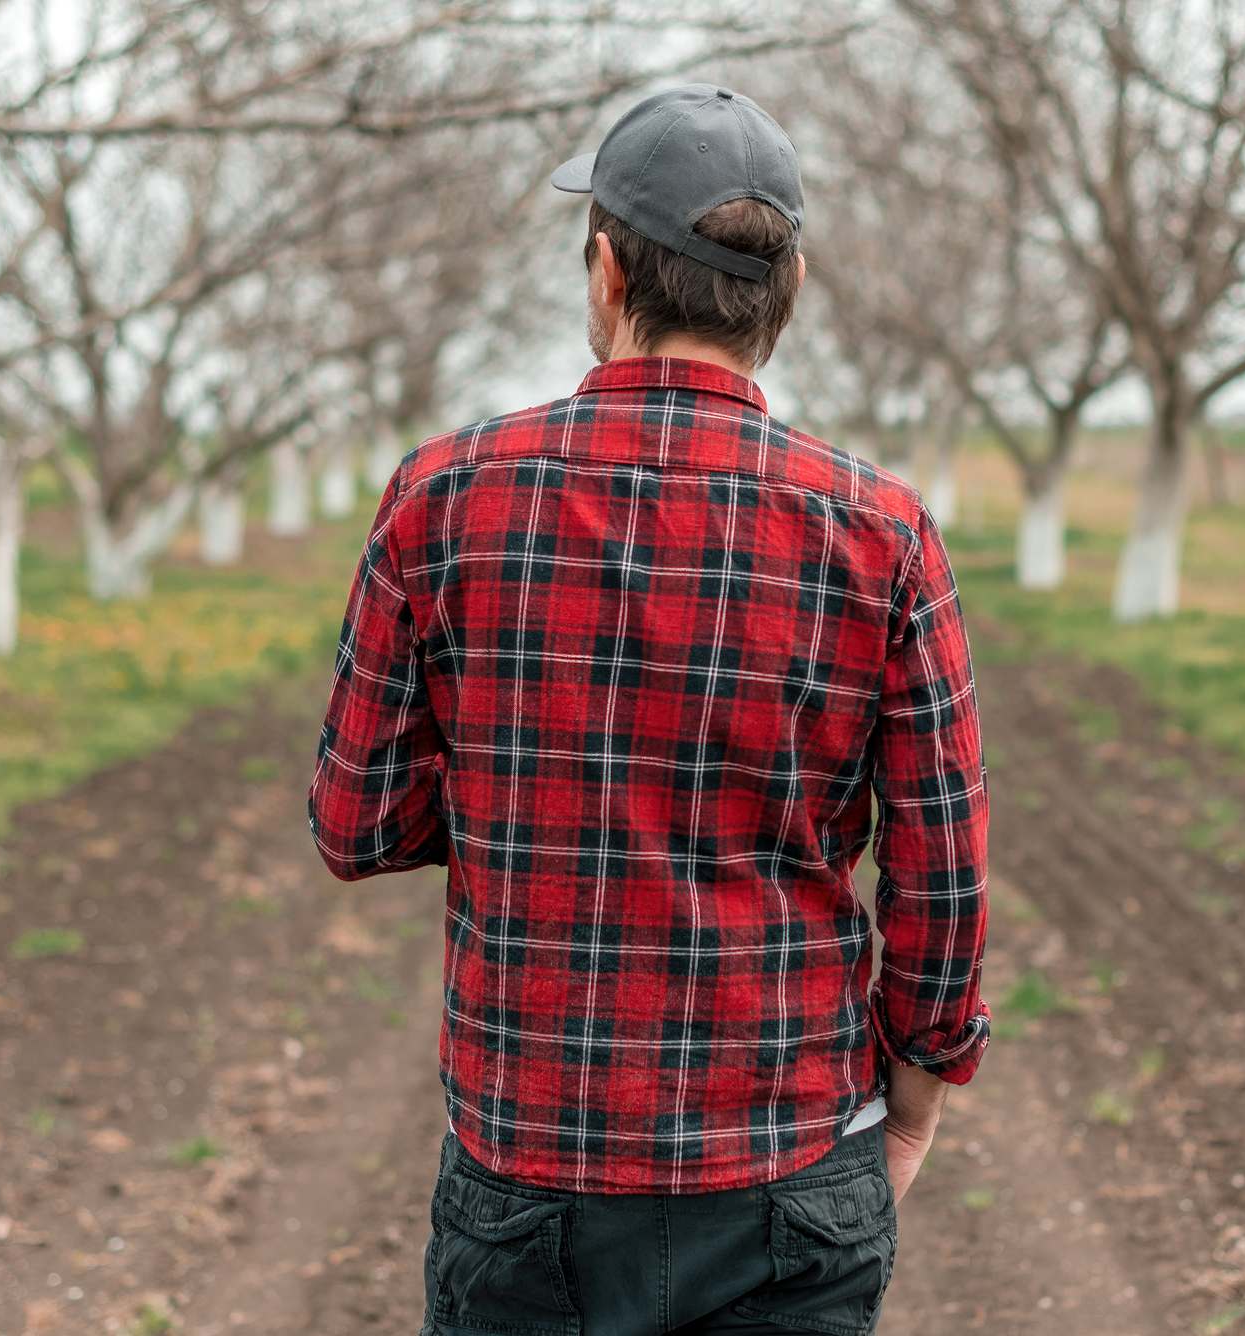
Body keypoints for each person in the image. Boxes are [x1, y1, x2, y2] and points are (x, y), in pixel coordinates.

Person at [309, 83, 989, 1336]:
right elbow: (939, 878)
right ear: (785, 292)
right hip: (791, 1165)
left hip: (530, 1173)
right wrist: (914, 1107)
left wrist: (531, 793)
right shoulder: (884, 532)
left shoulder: (440, 496)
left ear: (608, 272)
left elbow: (356, 824)